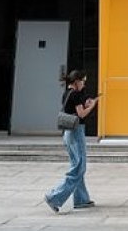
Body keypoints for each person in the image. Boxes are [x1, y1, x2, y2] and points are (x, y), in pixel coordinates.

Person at [44, 70, 99, 212]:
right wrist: (92, 105)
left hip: (68, 132)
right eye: (83, 81)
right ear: (76, 82)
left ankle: (81, 199)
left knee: (77, 165)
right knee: (79, 167)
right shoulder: (75, 94)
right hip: (75, 131)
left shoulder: (68, 93)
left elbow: (74, 109)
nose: (84, 84)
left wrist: (85, 103)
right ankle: (54, 197)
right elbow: (81, 114)